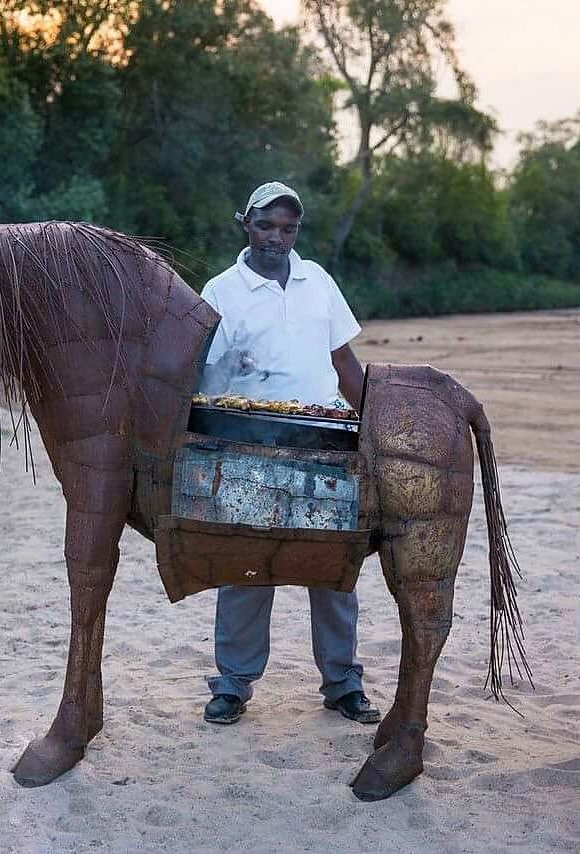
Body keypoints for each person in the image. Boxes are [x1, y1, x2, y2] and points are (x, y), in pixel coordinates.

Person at [198, 181, 380, 726]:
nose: (278, 237)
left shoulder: (317, 281)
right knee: (247, 567)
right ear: (245, 225)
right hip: (249, 442)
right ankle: (232, 683)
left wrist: (370, 424)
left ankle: (343, 683)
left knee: (332, 567)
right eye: (267, 226)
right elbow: (201, 375)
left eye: (288, 227)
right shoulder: (220, 292)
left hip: (324, 439)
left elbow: (345, 364)